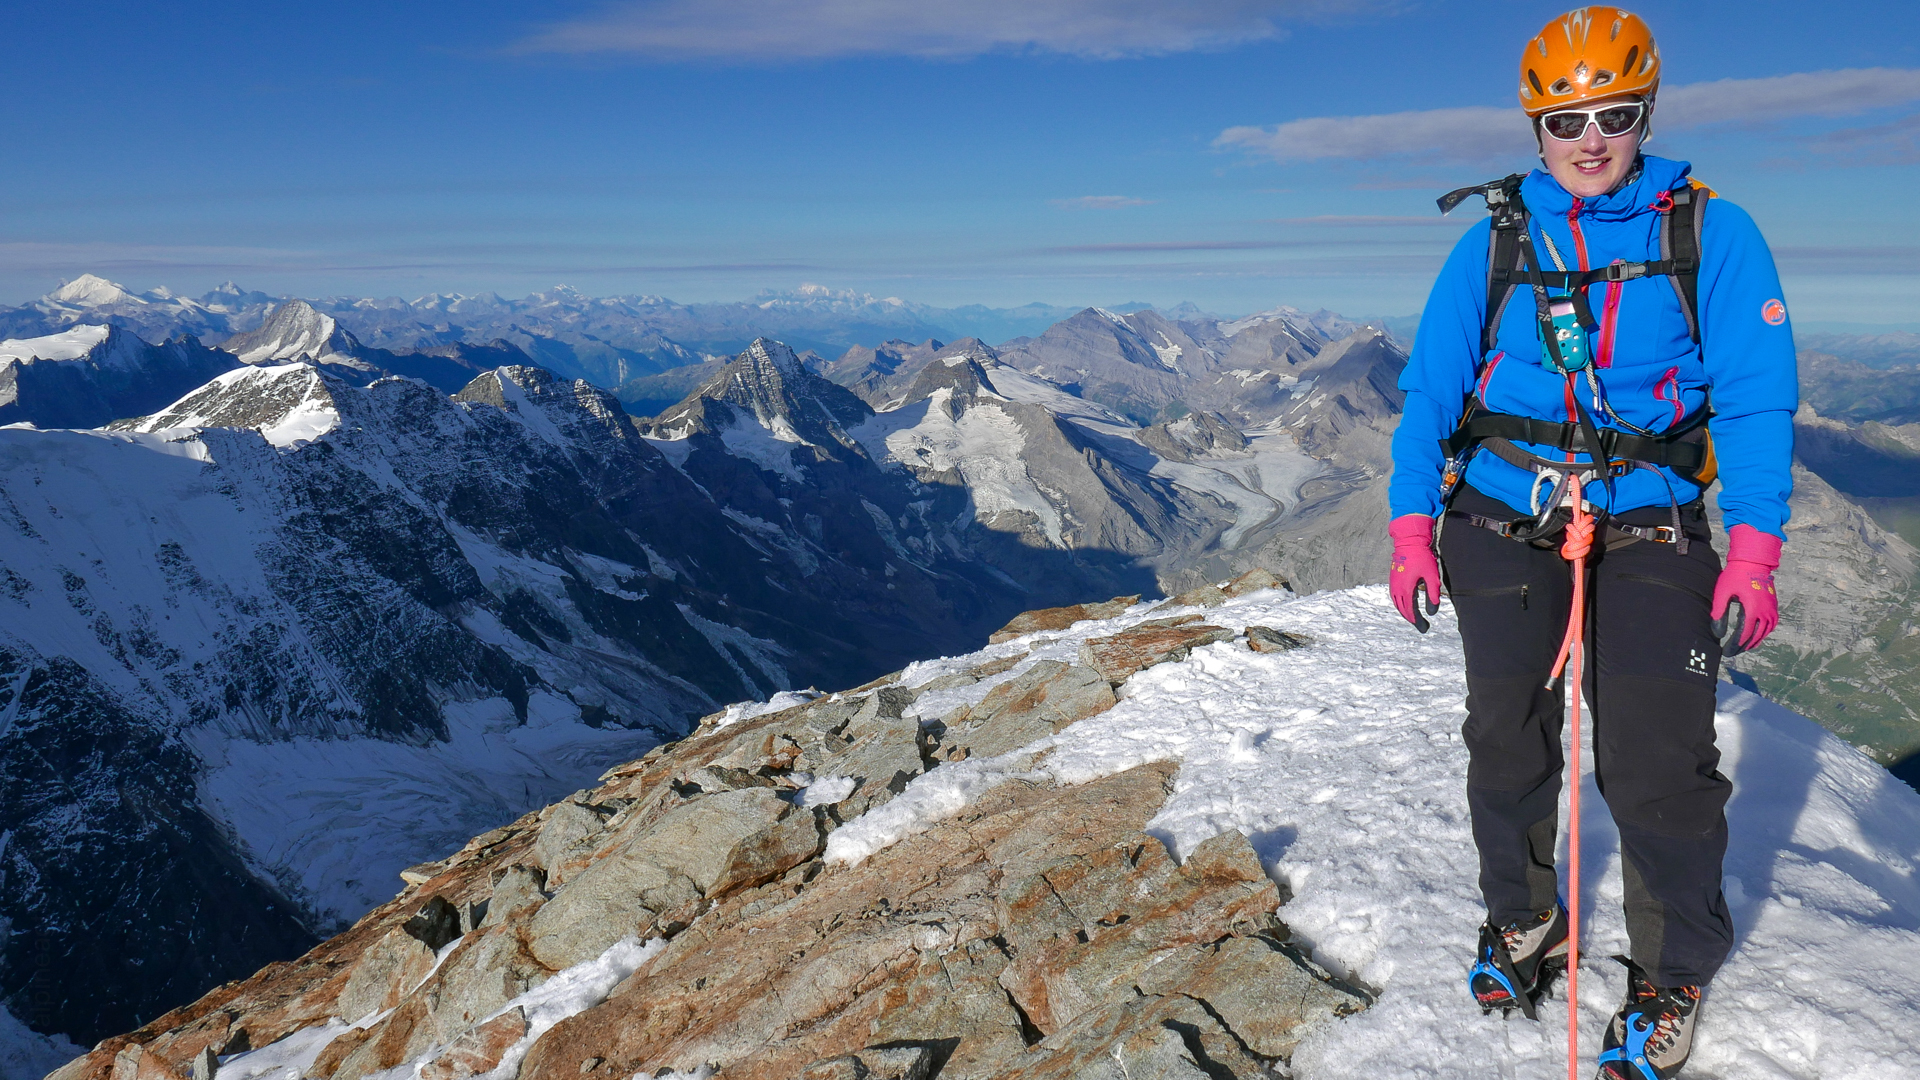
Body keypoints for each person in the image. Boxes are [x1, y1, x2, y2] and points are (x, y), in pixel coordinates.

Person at [1385, 9, 1796, 1079]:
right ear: (1536, 126)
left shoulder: (1714, 233)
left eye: (1614, 114)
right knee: (1506, 735)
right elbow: (1430, 390)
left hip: (1651, 515)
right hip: (1500, 513)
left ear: (1646, 111)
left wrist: (1753, 551)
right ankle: (1522, 919)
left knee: (1657, 760)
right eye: (1565, 118)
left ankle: (1672, 971)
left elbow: (1757, 405)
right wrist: (1410, 529)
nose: (1591, 138)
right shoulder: (1495, 239)